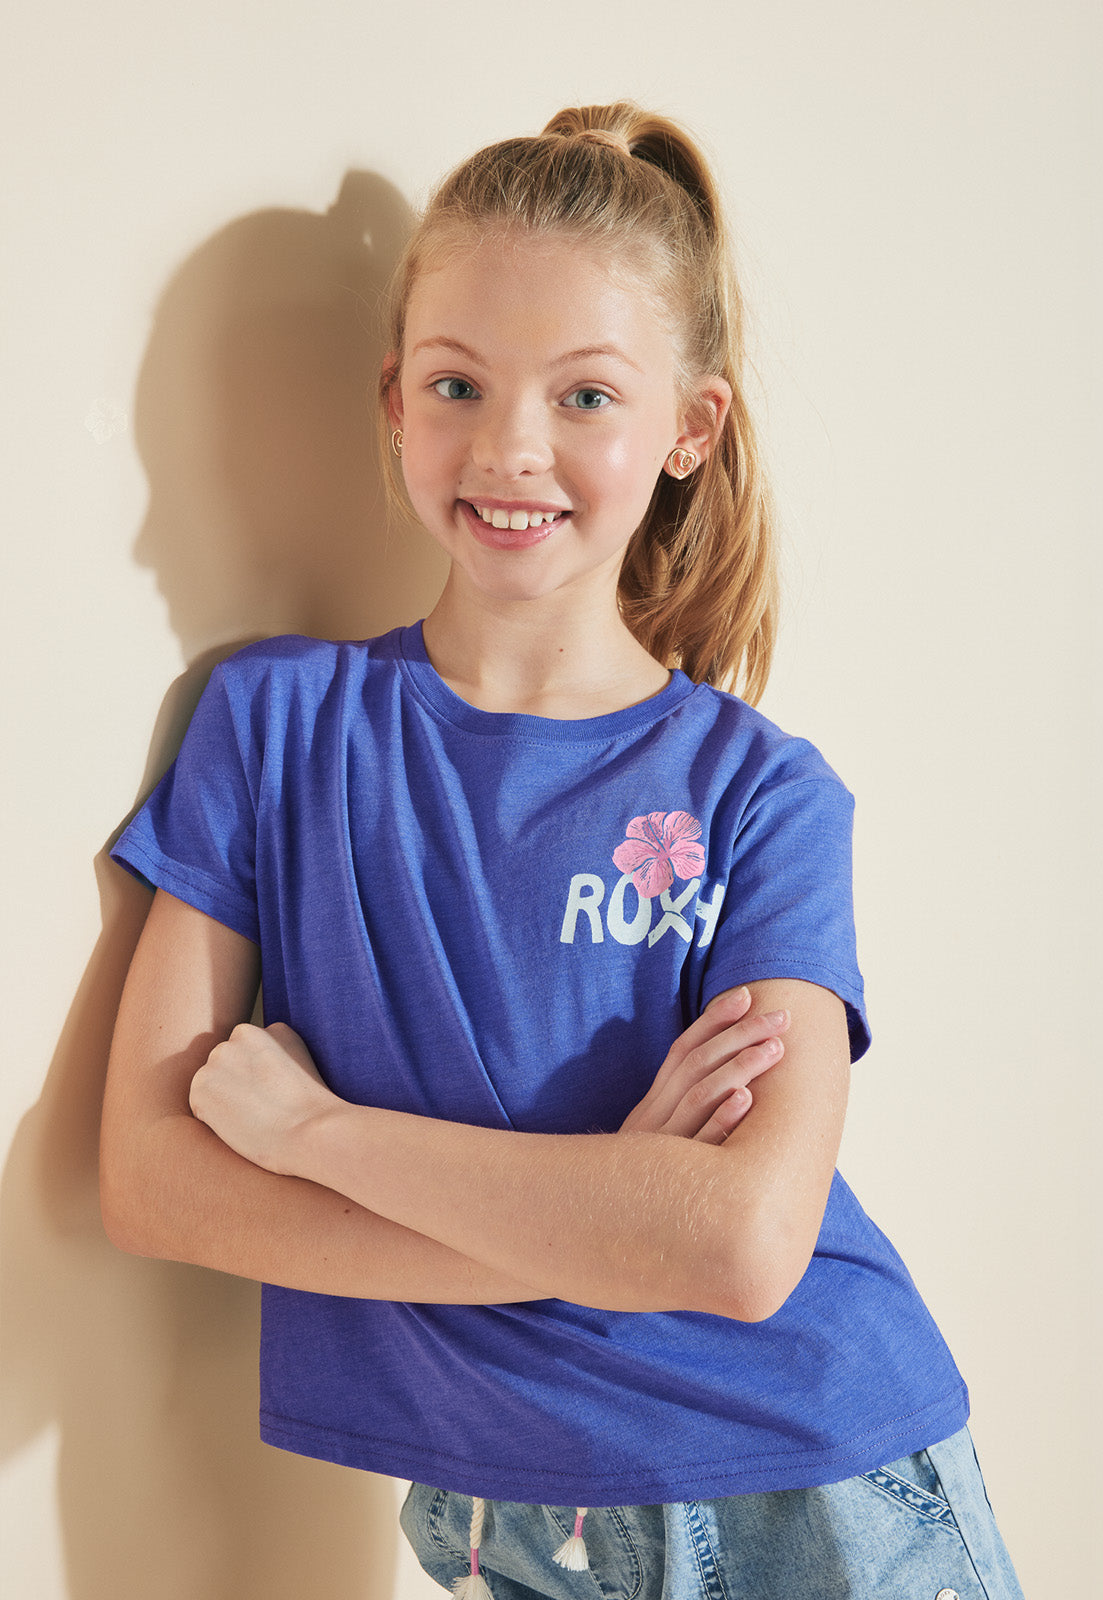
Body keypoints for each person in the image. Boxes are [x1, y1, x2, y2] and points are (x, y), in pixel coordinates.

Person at [100, 103, 1024, 1600]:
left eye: (587, 395)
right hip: (501, 1516)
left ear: (688, 430)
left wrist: (318, 1141)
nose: (510, 447)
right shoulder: (275, 730)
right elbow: (150, 1181)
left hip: (813, 1475)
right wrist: (610, 1214)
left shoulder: (764, 797)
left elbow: (736, 1251)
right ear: (395, 400)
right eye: (458, 383)